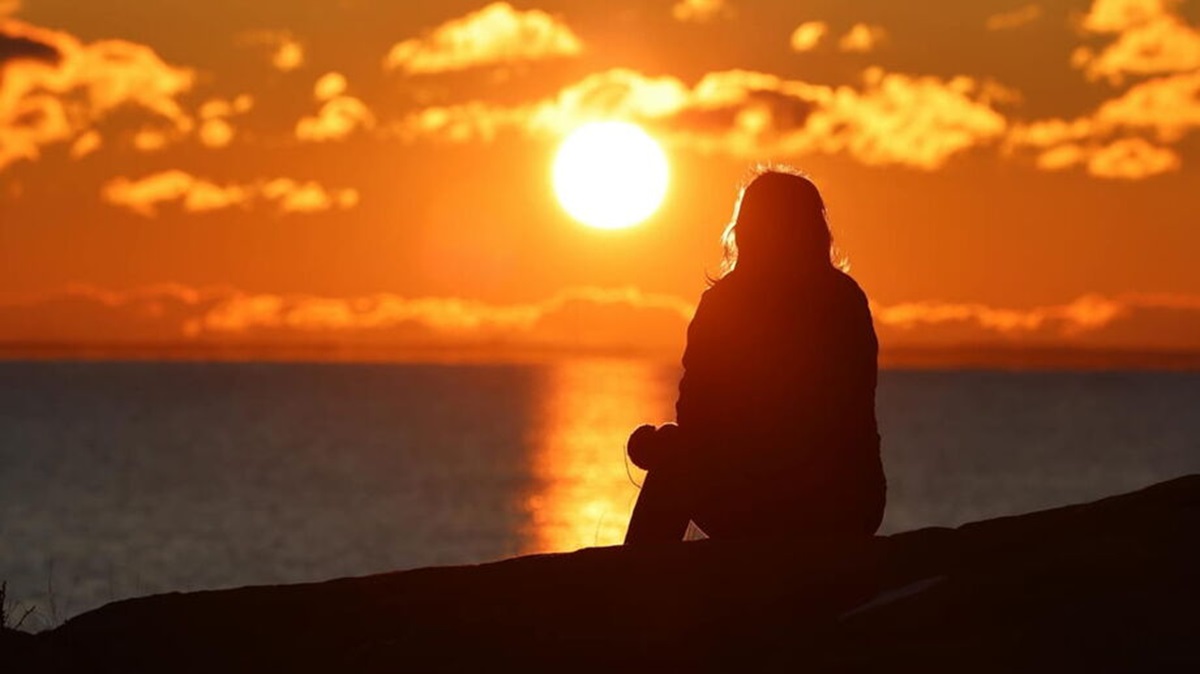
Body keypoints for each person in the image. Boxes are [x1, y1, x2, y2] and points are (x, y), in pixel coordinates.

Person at [623, 167, 885, 544]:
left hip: (762, 505)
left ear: (745, 231)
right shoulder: (845, 297)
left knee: (673, 465)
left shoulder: (724, 305)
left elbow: (696, 417)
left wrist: (664, 446)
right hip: (851, 505)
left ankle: (630, 586)